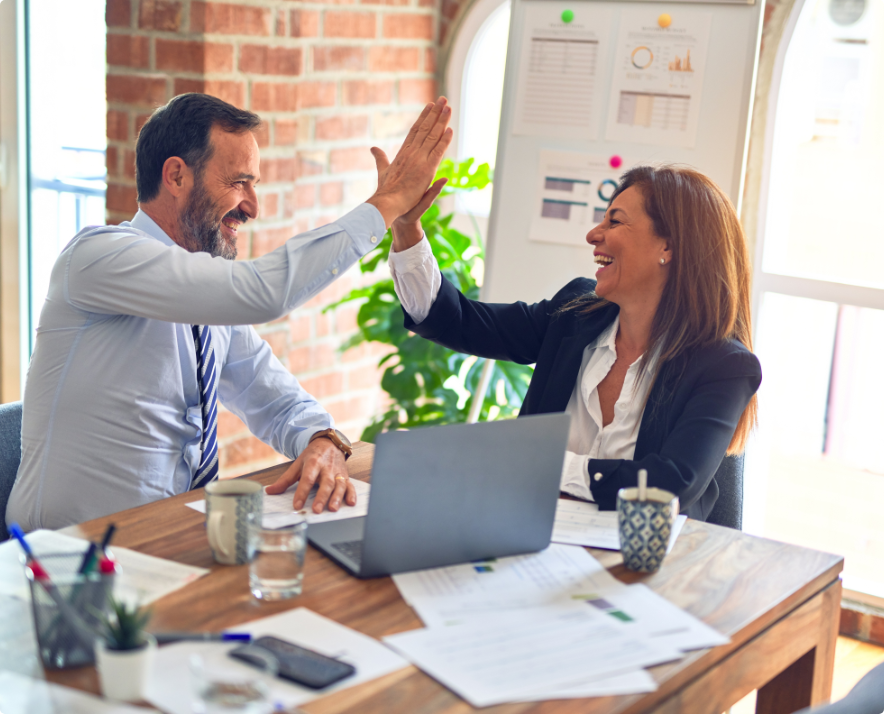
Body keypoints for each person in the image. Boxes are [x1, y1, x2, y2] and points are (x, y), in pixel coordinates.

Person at [7, 92, 452, 531]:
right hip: (66, 560)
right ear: (177, 176)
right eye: (239, 182)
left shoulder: (206, 299)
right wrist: (387, 203)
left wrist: (322, 439)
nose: (252, 207)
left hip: (169, 543)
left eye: (253, 185)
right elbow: (263, 292)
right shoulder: (98, 257)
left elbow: (274, 397)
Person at [387, 164, 761, 520]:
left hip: (648, 567)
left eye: (614, 221)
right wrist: (407, 229)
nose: (593, 234)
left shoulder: (724, 366)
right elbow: (459, 321)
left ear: (668, 247)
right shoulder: (575, 314)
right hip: (532, 538)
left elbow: (668, 486)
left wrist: (541, 463)